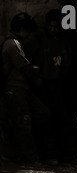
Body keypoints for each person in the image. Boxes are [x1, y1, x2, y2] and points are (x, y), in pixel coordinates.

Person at [1, 12, 58, 164]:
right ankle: (29, 157)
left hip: (22, 88)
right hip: (15, 89)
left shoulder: (17, 43)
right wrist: (38, 72)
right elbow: (24, 66)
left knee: (41, 114)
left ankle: (25, 153)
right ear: (23, 30)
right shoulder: (12, 44)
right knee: (23, 123)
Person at [24, 9, 75, 162]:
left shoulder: (61, 41)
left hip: (56, 84)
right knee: (45, 119)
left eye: (56, 27)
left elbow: (66, 62)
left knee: (60, 118)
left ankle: (64, 154)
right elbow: (27, 60)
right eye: (51, 26)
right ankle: (49, 154)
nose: (53, 30)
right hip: (41, 84)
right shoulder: (37, 39)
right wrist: (36, 78)